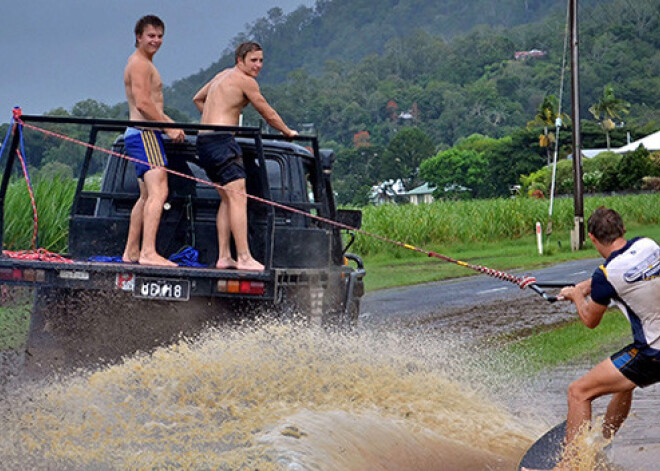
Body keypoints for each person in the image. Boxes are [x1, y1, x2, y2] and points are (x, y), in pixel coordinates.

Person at [524, 206, 660, 471]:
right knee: (624, 382)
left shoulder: (605, 277)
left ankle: (570, 466)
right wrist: (584, 287)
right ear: (622, 230)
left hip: (653, 352)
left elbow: (590, 320)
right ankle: (601, 440)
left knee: (579, 392)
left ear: (592, 238)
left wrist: (577, 296)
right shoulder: (648, 246)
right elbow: (617, 275)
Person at [192, 41, 297, 271]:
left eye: (261, 60)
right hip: (220, 142)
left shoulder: (222, 75)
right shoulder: (245, 80)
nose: (258, 65)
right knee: (239, 197)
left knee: (228, 199)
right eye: (253, 61)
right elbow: (266, 111)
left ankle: (224, 256)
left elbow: (197, 99)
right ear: (240, 61)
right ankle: (244, 256)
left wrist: (214, 119)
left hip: (204, 142)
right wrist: (287, 131)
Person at [122, 14, 185, 266]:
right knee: (160, 191)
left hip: (142, 133)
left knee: (146, 196)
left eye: (159, 36)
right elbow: (143, 104)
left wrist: (171, 124)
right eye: (150, 35)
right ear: (138, 37)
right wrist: (168, 127)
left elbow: (151, 105)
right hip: (145, 134)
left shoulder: (144, 63)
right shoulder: (139, 63)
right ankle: (149, 252)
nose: (155, 40)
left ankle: (131, 252)